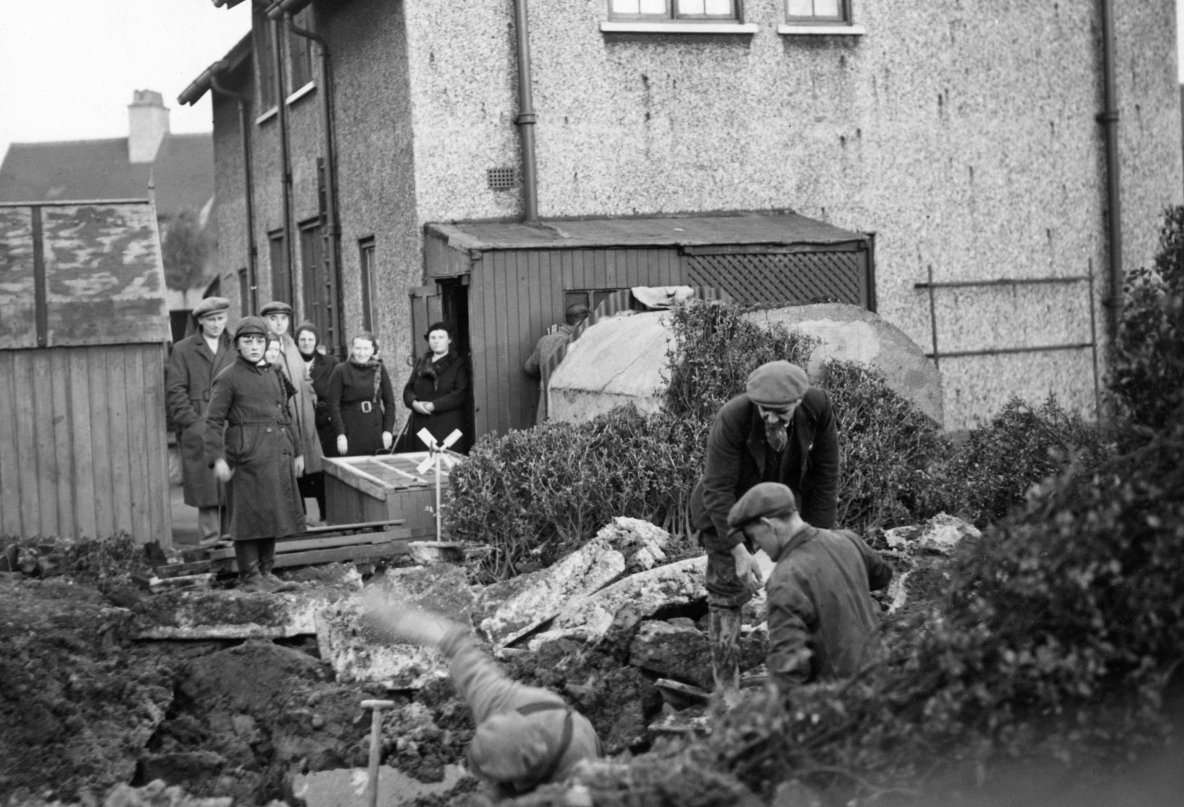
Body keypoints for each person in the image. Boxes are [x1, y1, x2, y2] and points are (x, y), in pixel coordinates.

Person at [689, 360, 840, 691]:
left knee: (805, 581)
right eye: (764, 410)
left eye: (780, 411)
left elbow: (825, 479)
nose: (770, 418)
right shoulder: (733, 416)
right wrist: (739, 549)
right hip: (727, 508)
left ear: (799, 401)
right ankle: (726, 685)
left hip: (782, 505)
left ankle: (802, 672)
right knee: (728, 589)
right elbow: (718, 490)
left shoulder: (818, 408)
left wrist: (816, 540)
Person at [361, 593, 603, 797]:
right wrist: (404, 618)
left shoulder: (578, 774)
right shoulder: (498, 700)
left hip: (575, 756)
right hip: (545, 720)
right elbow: (458, 646)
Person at [727, 482, 892, 691]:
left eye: (754, 537)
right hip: (883, 686)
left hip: (841, 707)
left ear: (768, 525)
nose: (757, 547)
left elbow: (789, 672)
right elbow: (882, 575)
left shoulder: (785, 579)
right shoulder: (848, 540)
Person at [204, 316, 305, 592]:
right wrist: (218, 458)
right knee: (248, 516)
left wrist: (297, 451)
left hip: (275, 454)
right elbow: (213, 421)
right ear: (237, 345)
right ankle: (249, 578)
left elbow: (285, 414)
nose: (254, 346)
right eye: (247, 341)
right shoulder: (227, 378)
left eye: (260, 340)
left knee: (271, 511)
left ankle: (266, 571)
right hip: (245, 455)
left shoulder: (273, 373)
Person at [165, 296, 236, 545]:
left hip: (231, 429)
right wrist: (195, 425)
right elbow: (175, 392)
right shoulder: (183, 349)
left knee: (233, 495)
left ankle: (235, 555)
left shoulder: (236, 347)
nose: (217, 324)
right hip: (200, 431)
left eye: (221, 318)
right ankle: (211, 553)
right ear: (201, 322)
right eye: (211, 320)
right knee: (207, 498)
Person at [259, 301, 324, 518]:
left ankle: (308, 519)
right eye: (273, 318)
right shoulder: (263, 343)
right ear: (265, 320)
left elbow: (304, 376)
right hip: (282, 417)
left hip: (304, 416)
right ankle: (293, 520)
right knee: (287, 469)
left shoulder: (290, 342)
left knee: (309, 468)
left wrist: (311, 397)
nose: (279, 323)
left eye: (283, 318)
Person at [401, 321, 469, 451]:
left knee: (446, 465)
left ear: (449, 340)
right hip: (421, 425)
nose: (436, 341)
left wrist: (432, 406)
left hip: (447, 426)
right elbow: (408, 389)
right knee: (422, 467)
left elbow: (459, 393)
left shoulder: (458, 364)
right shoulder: (422, 362)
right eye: (433, 338)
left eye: (441, 337)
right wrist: (415, 404)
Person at [326, 331, 396, 456]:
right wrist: (340, 434)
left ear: (372, 350)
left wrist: (387, 431)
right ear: (352, 349)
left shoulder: (379, 368)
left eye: (366, 348)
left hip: (375, 428)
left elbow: (389, 402)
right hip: (350, 430)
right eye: (357, 348)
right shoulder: (341, 370)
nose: (361, 353)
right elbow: (333, 405)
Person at [296, 321, 339, 516]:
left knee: (323, 472)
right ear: (296, 341)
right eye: (302, 339)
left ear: (316, 341)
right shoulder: (290, 361)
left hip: (323, 425)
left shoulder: (329, 363)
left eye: (310, 339)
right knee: (300, 472)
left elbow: (335, 393)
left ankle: (326, 515)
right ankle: (301, 517)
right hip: (300, 424)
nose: (306, 343)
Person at [523, 304, 591, 424]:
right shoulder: (579, 343)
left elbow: (529, 368)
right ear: (579, 323)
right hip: (571, 408)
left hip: (545, 410)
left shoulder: (545, 341)